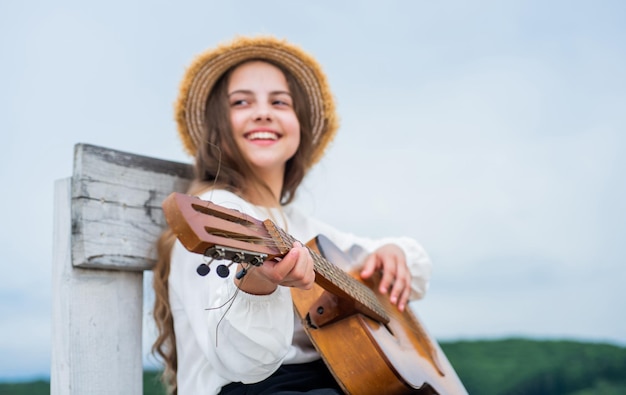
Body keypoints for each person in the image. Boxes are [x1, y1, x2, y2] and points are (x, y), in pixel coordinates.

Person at [152, 35, 433, 395]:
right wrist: (255, 284)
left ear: (300, 126)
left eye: (279, 102)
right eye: (241, 102)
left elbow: (413, 269)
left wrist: (394, 252)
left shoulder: (304, 226)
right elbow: (243, 364)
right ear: (218, 130)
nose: (263, 112)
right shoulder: (217, 209)